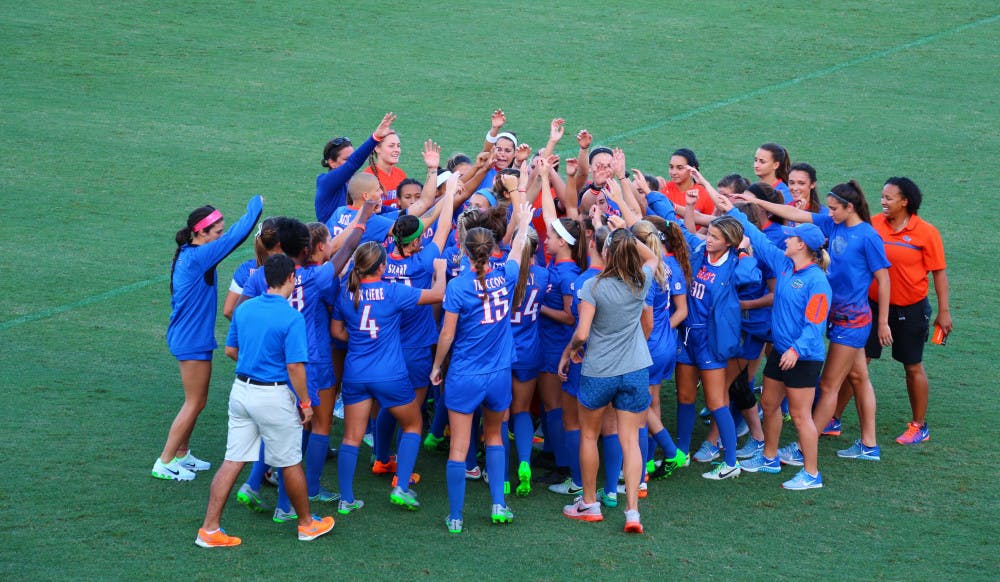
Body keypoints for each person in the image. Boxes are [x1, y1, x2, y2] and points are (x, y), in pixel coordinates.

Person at [735, 180, 891, 462]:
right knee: (858, 376)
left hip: (851, 320)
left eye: (833, 208)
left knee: (829, 385)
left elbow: (883, 277)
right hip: (835, 315)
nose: (828, 212)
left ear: (849, 207)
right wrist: (757, 204)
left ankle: (807, 447)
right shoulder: (833, 225)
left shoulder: (867, 236)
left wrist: (883, 322)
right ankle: (869, 443)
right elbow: (793, 214)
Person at [194, 254, 335, 547]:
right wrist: (306, 403)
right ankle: (307, 524)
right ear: (290, 280)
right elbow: (296, 367)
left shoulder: (245, 310)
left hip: (241, 392)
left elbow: (231, 350)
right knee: (291, 462)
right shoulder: (291, 317)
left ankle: (209, 529)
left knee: (233, 460)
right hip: (272, 395)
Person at [713, 190, 833, 490]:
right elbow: (760, 239)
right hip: (782, 352)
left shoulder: (818, 281)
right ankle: (769, 458)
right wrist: (735, 212)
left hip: (802, 357)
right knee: (768, 401)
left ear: (802, 245)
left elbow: (814, 325)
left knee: (802, 415)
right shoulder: (784, 263)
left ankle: (811, 473)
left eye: (792, 237)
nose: (786, 239)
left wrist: (795, 349)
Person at [431, 202, 533, 534]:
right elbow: (517, 249)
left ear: (463, 248)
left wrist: (436, 366)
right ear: (491, 250)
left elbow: (447, 333)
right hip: (499, 373)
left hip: (464, 375)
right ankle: (498, 504)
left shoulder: (459, 286)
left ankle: (456, 516)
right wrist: (523, 220)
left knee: (460, 447)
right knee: (495, 438)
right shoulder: (505, 275)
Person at [331, 243, 447, 514]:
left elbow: (337, 332)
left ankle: (346, 499)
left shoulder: (346, 293)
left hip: (356, 374)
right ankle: (401, 487)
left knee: (351, 437)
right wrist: (440, 270)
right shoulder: (392, 292)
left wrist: (359, 339)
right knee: (413, 425)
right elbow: (438, 295)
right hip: (389, 374)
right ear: (382, 267)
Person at [153, 195, 263, 481]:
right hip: (191, 340)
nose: (221, 235)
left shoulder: (191, 252)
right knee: (194, 402)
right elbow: (237, 238)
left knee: (197, 400)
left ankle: (182, 453)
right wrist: (255, 206)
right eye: (216, 232)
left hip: (191, 337)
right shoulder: (200, 256)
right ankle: (164, 461)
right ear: (200, 233)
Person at [558, 227, 660, 533]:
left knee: (589, 436)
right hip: (636, 368)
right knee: (631, 441)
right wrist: (628, 237)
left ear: (605, 253)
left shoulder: (593, 286)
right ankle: (632, 512)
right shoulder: (642, 280)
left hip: (599, 371)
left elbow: (582, 333)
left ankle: (589, 503)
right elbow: (653, 256)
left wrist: (569, 353)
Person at [834, 177, 950, 444]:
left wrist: (944, 312)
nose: (883, 202)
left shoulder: (926, 233)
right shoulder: (873, 225)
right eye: (882, 197)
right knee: (857, 364)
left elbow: (939, 274)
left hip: (911, 310)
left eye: (889, 198)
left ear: (904, 201)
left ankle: (919, 425)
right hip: (871, 307)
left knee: (912, 367)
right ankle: (833, 417)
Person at [315, 113, 397, 223]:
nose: (351, 163)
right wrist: (375, 138)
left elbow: (381, 210)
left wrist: (408, 213)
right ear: (332, 163)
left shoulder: (355, 184)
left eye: (352, 157)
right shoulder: (325, 182)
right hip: (332, 239)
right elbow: (352, 164)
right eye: (346, 159)